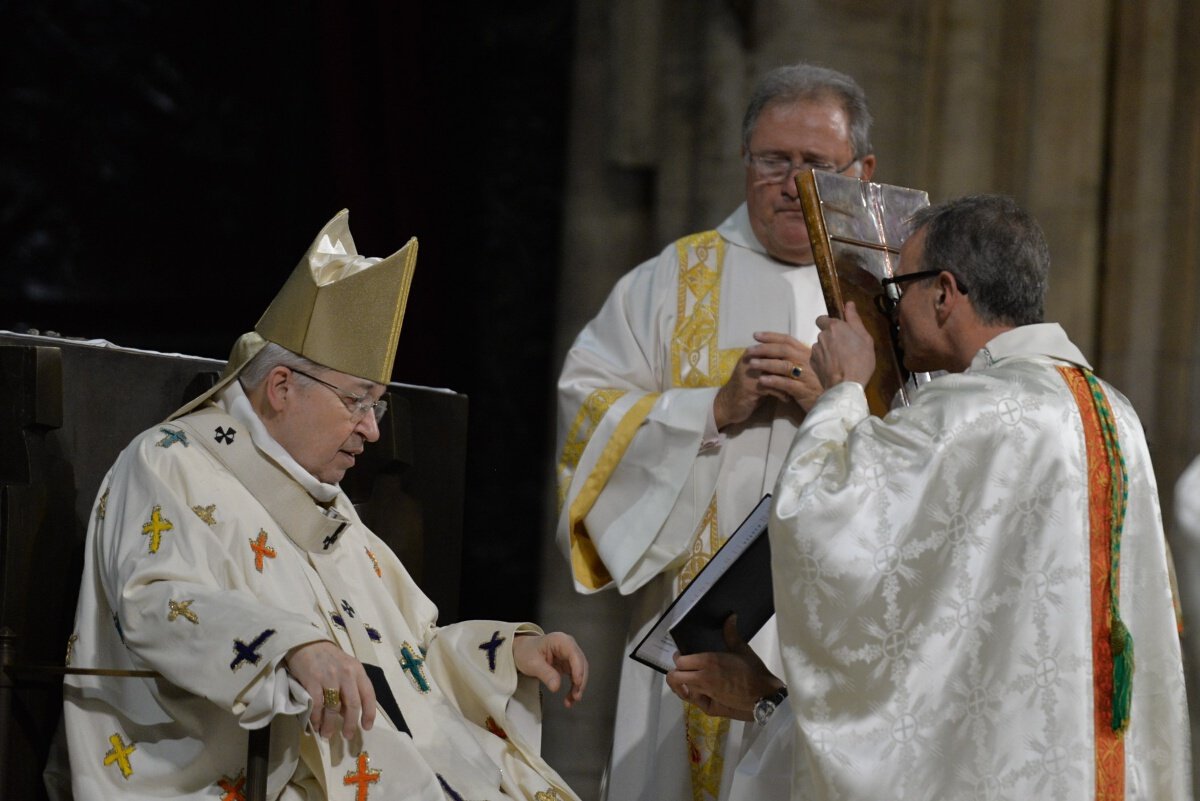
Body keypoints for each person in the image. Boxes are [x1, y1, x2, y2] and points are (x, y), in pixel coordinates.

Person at [62, 210, 588, 800]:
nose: (372, 430)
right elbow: (156, 599)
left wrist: (506, 654)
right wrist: (290, 647)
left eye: (378, 407)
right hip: (244, 769)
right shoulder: (169, 461)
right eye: (357, 402)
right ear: (282, 387)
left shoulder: (327, 503)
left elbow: (409, 654)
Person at [759, 194, 1190, 798]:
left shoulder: (971, 414)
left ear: (943, 292)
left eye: (897, 290)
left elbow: (820, 519)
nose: (892, 313)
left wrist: (842, 393)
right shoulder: (1117, 413)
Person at [554, 63, 875, 801]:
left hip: (828, 641)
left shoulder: (885, 299)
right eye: (773, 160)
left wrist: (840, 404)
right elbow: (587, 414)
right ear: (744, 162)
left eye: (817, 165)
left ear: (862, 171)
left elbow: (936, 456)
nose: (792, 183)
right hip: (687, 643)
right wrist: (711, 409)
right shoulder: (669, 282)